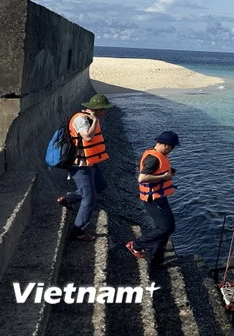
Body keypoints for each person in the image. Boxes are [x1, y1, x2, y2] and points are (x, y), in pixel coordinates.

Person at [57, 93, 113, 241]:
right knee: (89, 197)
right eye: (103, 109)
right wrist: (95, 120)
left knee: (100, 185)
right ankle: (78, 231)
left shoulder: (92, 118)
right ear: (96, 109)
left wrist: (95, 119)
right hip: (79, 165)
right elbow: (87, 137)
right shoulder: (81, 119)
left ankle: (68, 199)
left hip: (90, 162)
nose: (105, 112)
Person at [126, 131, 180, 270]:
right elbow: (142, 178)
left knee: (166, 228)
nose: (171, 150)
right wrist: (164, 177)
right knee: (166, 228)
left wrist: (167, 173)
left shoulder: (157, 155)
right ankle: (136, 245)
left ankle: (157, 261)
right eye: (172, 147)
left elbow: (156, 172)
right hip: (153, 199)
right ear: (165, 145)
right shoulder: (154, 158)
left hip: (159, 198)